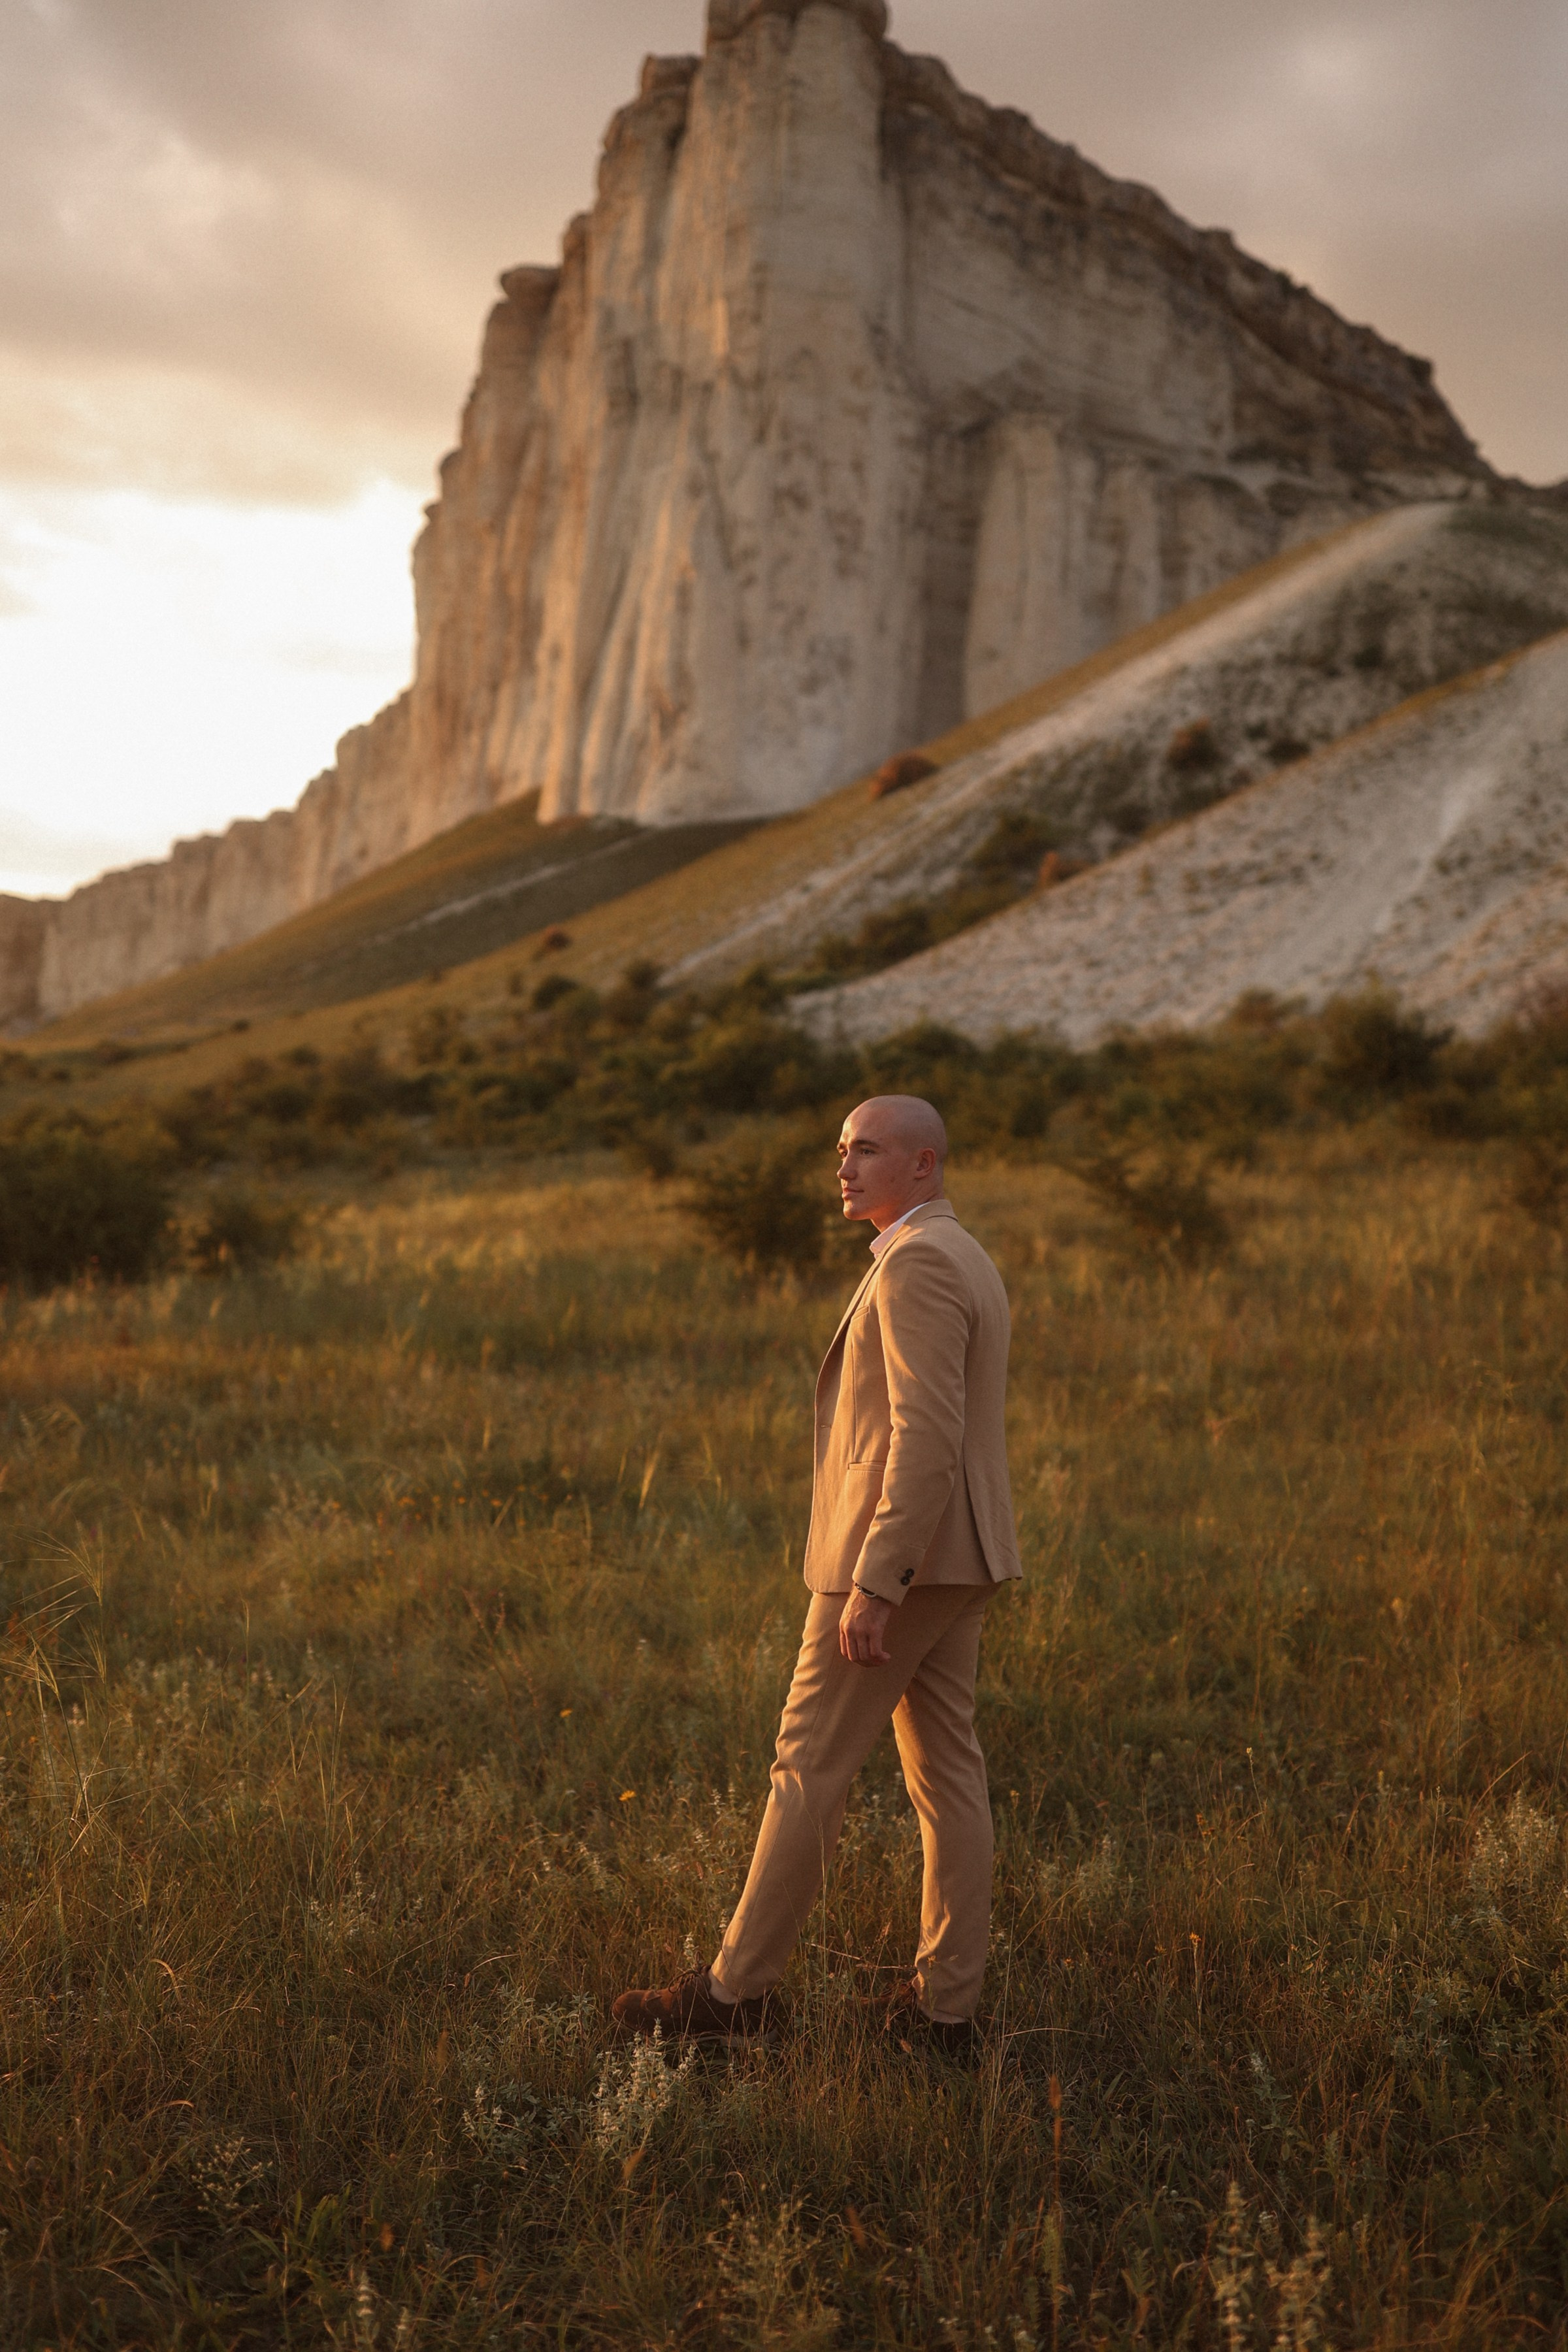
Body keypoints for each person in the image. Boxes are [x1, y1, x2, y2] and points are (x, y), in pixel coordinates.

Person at [612, 1093, 1022, 2058]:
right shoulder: (960, 1251)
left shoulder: (920, 1262)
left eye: (868, 1150)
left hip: (902, 1557)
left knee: (808, 1767)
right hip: (957, 1553)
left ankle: (732, 1999)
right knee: (948, 1774)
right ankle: (946, 2013)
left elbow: (927, 1433)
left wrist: (879, 1579)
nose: (844, 1167)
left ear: (924, 1164)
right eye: (842, 1149)